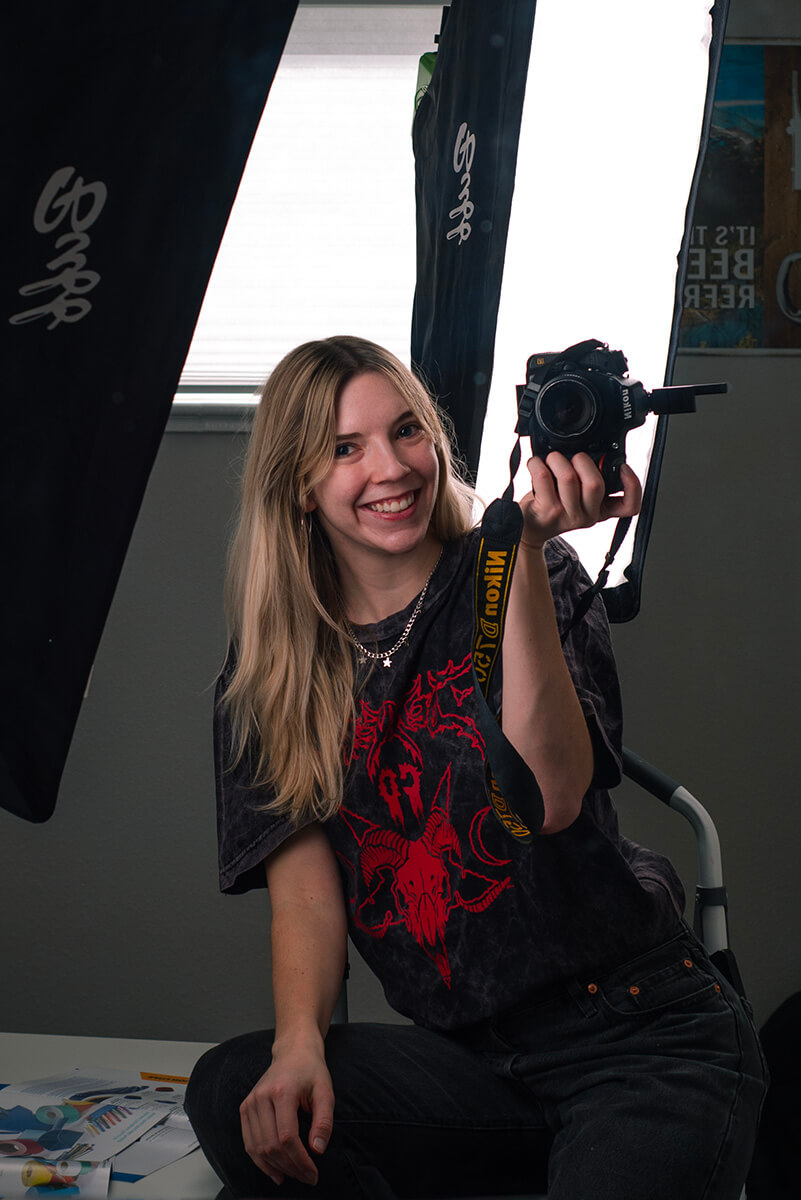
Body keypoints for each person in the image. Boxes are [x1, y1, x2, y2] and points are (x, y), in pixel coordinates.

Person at [185, 335, 767, 1200]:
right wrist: (297, 1045)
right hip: (471, 1067)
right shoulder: (273, 673)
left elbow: (549, 799)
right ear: (298, 484)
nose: (391, 469)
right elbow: (306, 897)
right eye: (344, 449)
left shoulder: (528, 565)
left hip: (637, 1036)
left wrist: (520, 553)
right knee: (237, 1089)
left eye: (406, 432)